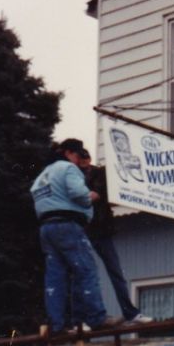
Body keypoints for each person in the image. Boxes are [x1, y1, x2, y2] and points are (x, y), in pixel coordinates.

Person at [30, 138, 123, 334]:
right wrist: (92, 196)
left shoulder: (42, 176)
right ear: (68, 154)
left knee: (55, 277)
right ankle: (97, 317)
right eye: (76, 154)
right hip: (68, 225)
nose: (78, 159)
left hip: (46, 228)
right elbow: (79, 194)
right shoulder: (68, 168)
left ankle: (58, 325)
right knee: (86, 269)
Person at [79, 150, 152, 325]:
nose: (84, 165)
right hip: (86, 230)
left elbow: (96, 195)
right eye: (82, 163)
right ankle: (85, 318)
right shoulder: (75, 175)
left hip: (100, 229)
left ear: (89, 159)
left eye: (86, 161)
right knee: (85, 275)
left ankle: (130, 312)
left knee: (115, 272)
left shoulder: (99, 174)